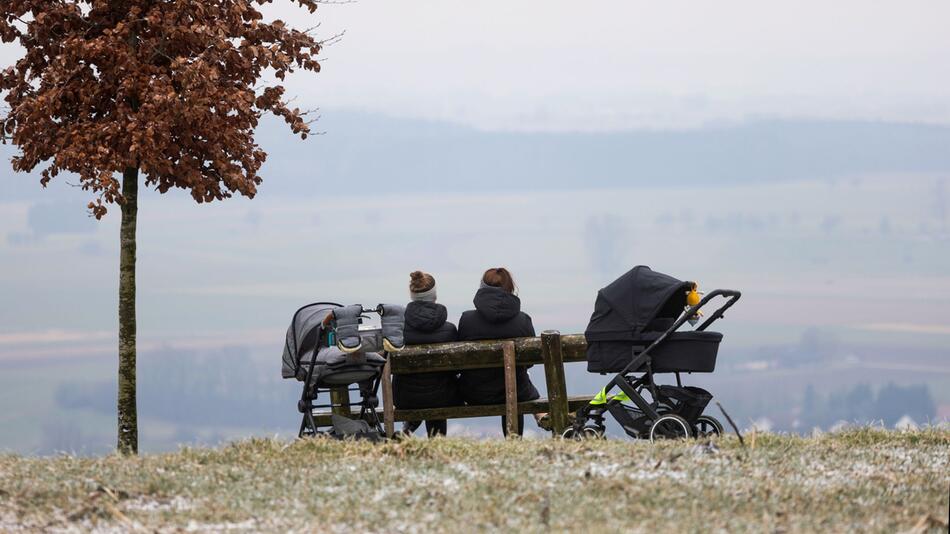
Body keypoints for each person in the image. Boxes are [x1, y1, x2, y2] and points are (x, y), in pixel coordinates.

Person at [457, 267, 540, 436]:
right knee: (517, 384)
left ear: (482, 288)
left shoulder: (467, 320)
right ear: (510, 288)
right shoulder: (523, 320)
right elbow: (529, 361)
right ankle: (514, 438)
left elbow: (460, 361)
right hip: (516, 392)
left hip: (475, 393)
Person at [393, 270, 460, 437]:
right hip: (444, 397)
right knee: (436, 388)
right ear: (434, 295)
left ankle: (407, 430)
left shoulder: (398, 331)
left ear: (412, 295)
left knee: (423, 388)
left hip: (405, 398)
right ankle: (436, 441)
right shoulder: (449, 330)